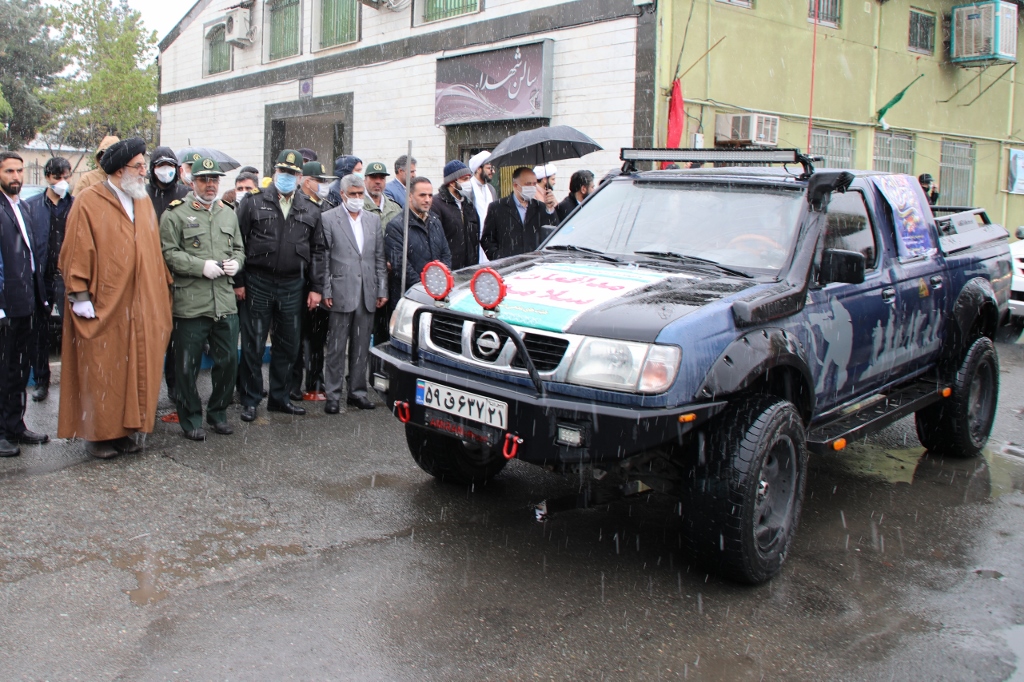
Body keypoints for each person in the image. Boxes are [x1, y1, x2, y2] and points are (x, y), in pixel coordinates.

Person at [58, 138, 174, 459]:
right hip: (105, 304)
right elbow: (75, 251)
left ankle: (127, 430)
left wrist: (161, 289)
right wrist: (79, 294)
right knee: (104, 369)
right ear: (119, 169)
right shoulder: (89, 201)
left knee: (135, 368)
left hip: (140, 304)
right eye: (138, 166)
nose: (144, 172)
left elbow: (152, 252)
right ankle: (99, 436)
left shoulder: (142, 201)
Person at [235, 149, 326, 423]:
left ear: (300, 177)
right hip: (258, 281)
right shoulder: (252, 203)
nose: (286, 177)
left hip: (293, 284)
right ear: (275, 172)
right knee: (253, 343)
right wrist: (238, 281)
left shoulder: (310, 207)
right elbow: (238, 242)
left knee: (288, 344)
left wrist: (316, 287)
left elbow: (318, 251)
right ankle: (250, 400)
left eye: (292, 173)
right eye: (282, 172)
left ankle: (280, 397)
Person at [160, 157, 245, 440]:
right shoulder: (175, 214)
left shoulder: (228, 213)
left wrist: (237, 263)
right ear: (191, 182)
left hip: (224, 301)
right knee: (187, 365)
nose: (210, 185)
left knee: (229, 361)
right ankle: (191, 419)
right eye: (204, 180)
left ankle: (218, 413)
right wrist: (200, 266)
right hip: (192, 303)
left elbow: (239, 249)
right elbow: (168, 253)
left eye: (214, 180)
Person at [321, 174, 387, 414]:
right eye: (354, 194)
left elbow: (379, 257)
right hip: (340, 290)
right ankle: (333, 395)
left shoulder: (372, 220)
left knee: (361, 347)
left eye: (361, 194)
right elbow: (325, 258)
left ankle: (357, 393)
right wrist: (325, 288)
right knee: (337, 347)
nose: (358, 198)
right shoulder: (328, 219)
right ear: (343, 195)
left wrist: (382, 288)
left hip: (367, 291)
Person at [0, 152, 50, 457]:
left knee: (20, 369)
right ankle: (2, 431)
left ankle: (16, 425)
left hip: (29, 301)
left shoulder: (23, 207)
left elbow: (32, 256)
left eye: (19, 170)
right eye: (9, 171)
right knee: (3, 371)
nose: (16, 176)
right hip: (7, 304)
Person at [25, 156, 74, 403]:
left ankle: (74, 381)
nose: (62, 182)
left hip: (67, 276)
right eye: (57, 177)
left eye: (66, 177)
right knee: (39, 331)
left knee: (72, 330)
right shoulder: (32, 206)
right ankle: (41, 381)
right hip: (41, 276)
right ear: (47, 177)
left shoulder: (76, 205)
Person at [289, 160, 338, 400]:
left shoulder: (326, 205)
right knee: (296, 337)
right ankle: (293, 385)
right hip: (301, 278)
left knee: (318, 337)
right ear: (307, 182)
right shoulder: (297, 205)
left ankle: (315, 384)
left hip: (322, 279)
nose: (323, 185)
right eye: (319, 181)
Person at [146, 147, 189, 404]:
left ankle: (175, 385)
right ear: (153, 169)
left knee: (176, 336)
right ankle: (148, 388)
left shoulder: (184, 194)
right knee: (151, 335)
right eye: (160, 166)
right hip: (150, 273)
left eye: (170, 165)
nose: (165, 171)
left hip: (179, 273)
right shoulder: (142, 195)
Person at [384, 177, 451, 303]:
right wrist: (424, 288)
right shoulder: (396, 226)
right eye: (422, 195)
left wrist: (441, 281)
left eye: (430, 195)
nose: (427, 200)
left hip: (437, 293)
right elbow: (400, 265)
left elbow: (445, 254)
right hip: (410, 296)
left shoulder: (435, 221)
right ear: (410, 196)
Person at [480, 167, 559, 261]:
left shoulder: (540, 207)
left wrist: (550, 210)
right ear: (515, 185)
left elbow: (553, 231)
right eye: (528, 184)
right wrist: (498, 258)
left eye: (534, 184)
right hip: (507, 266)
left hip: (534, 264)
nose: (532, 187)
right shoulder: (497, 208)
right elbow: (487, 239)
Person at [431, 160, 479, 270]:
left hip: (469, 268)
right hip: (449, 269)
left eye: (469, 179)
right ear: (452, 182)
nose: (469, 183)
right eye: (464, 179)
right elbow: (436, 242)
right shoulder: (437, 204)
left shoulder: (468, 204)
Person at [468, 151, 497, 263]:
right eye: (489, 168)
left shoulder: (491, 189)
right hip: (473, 242)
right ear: (478, 169)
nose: (492, 171)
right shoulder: (469, 188)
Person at [363, 161, 401, 228]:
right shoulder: (358, 206)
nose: (378, 181)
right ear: (365, 180)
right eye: (373, 177)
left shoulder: (395, 208)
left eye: (382, 178)